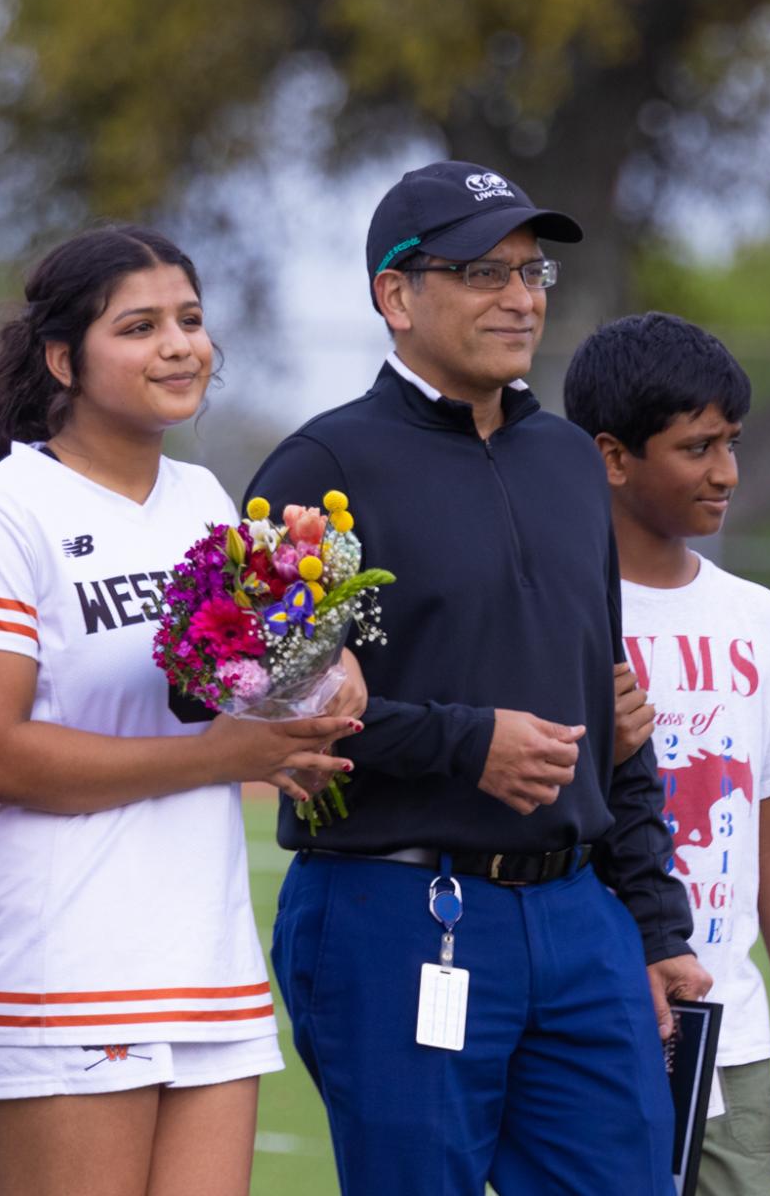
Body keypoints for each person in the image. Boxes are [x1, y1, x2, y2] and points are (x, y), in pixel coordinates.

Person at [247, 161, 708, 1195]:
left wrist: (653, 924)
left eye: (530, 271)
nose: (520, 297)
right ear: (396, 294)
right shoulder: (321, 467)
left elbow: (611, 701)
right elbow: (255, 706)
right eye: (482, 272)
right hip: (394, 905)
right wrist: (465, 742)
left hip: (580, 913)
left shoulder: (567, 461)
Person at [0, 224, 362, 1196]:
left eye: (190, 320)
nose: (179, 346)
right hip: (66, 965)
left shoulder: (205, 500)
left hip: (206, 962)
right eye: (139, 326)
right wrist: (223, 757)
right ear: (62, 359)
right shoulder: (1, 512)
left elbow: (247, 695)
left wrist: (324, 664)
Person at [566, 312, 770, 1196]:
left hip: (728, 1030)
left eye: (731, 443)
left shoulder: (759, 620)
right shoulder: (555, 612)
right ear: (613, 457)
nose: (726, 472)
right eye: (696, 448)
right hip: (581, 1024)